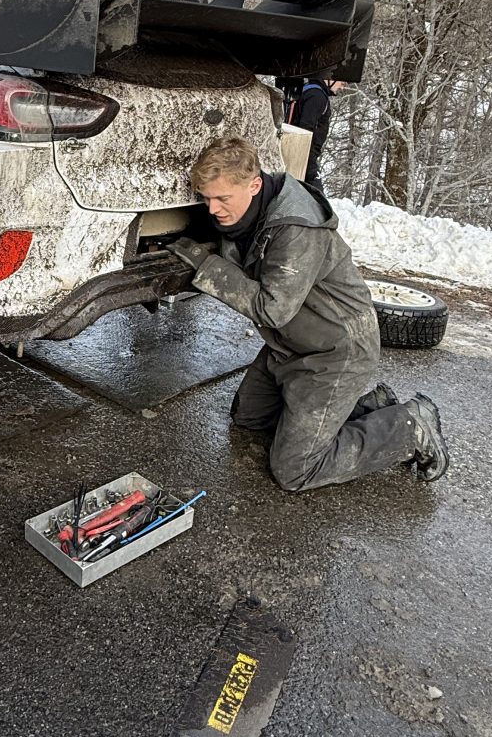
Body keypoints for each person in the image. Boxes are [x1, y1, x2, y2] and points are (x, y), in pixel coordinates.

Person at [170, 136, 449, 492]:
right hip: (290, 345)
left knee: (294, 469)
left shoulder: (296, 228)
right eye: (206, 198)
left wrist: (208, 268)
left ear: (254, 185)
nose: (212, 209)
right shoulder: (247, 212)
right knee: (249, 417)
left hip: (335, 351)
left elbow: (273, 309)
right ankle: (368, 409)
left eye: (222, 198)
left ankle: (408, 427)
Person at [288, 77, 346, 192]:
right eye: (342, 82)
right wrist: (309, 158)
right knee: (317, 194)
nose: (342, 87)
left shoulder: (308, 90)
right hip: (305, 153)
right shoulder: (317, 96)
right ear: (330, 79)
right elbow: (305, 128)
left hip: (298, 151)